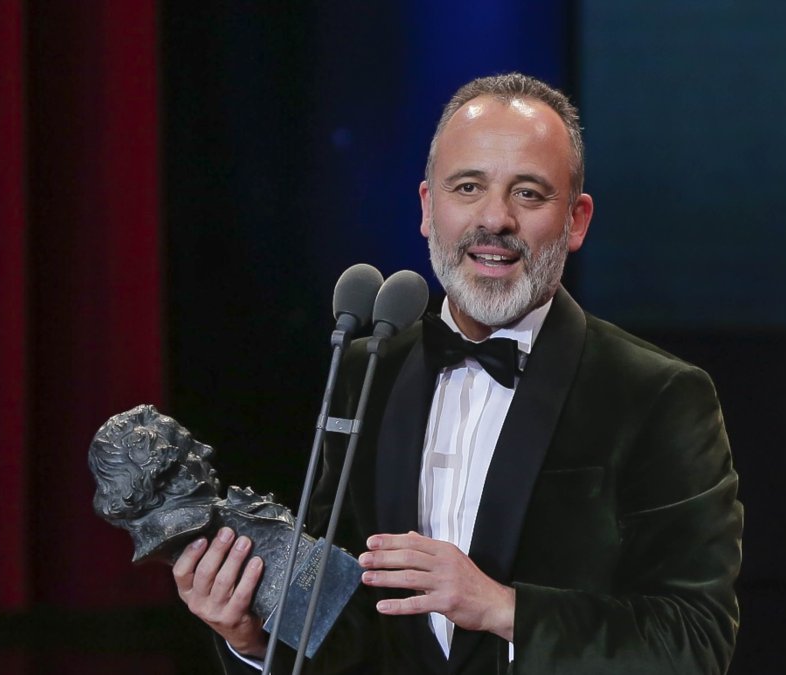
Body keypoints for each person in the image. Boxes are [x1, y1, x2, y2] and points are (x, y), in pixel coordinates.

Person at [173, 73, 743, 674]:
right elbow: (345, 625)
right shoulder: (367, 371)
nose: (495, 218)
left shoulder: (657, 396)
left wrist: (503, 608)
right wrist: (253, 639)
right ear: (427, 207)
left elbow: (694, 641)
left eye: (529, 193)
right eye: (468, 187)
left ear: (576, 221)